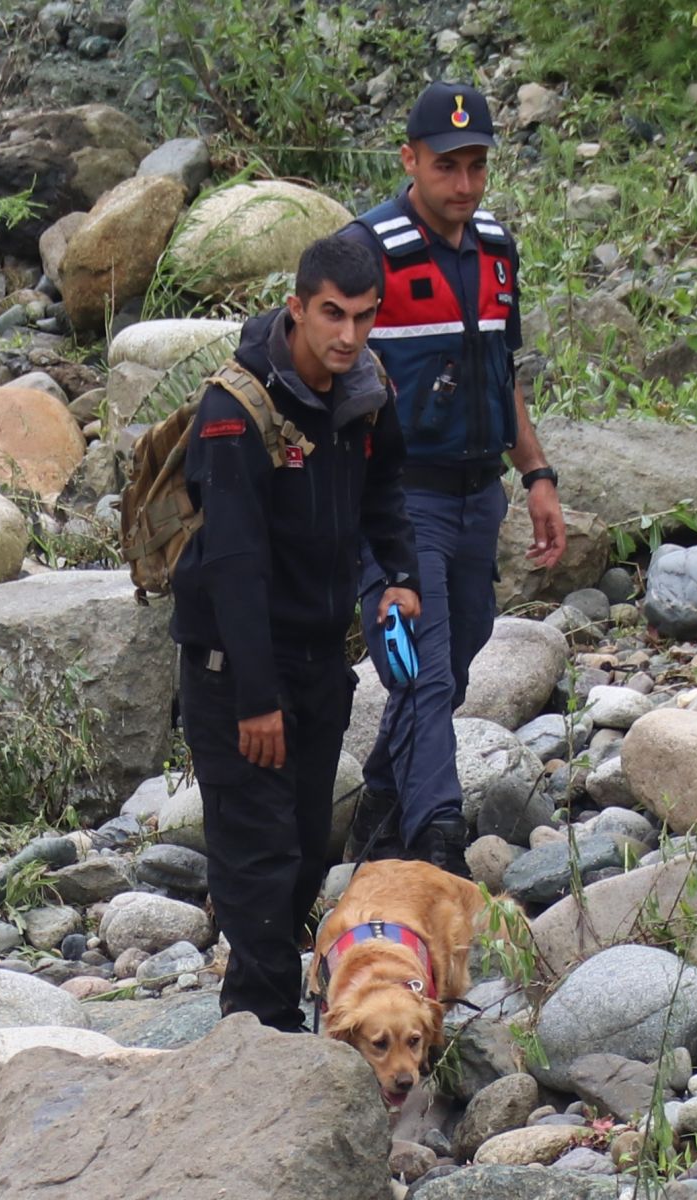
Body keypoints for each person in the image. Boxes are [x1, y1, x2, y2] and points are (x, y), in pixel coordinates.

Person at [170, 237, 421, 1033]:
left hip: (319, 662)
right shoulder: (237, 410)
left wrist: (403, 575)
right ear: (297, 308)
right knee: (259, 859)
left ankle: (266, 1012)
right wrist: (255, 701)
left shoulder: (366, 392)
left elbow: (385, 491)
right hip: (235, 671)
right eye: (331, 316)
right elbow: (234, 565)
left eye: (363, 317)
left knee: (308, 849)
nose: (347, 337)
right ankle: (264, 1033)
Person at [338, 81, 566, 876]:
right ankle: (439, 843)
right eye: (447, 166)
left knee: (458, 654)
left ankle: (378, 799)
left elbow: (503, 373)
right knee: (421, 671)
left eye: (476, 166)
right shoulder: (367, 251)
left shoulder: (496, 249)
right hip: (398, 504)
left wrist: (535, 473)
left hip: (477, 495)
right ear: (410, 159)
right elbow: (324, 374)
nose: (464, 185)